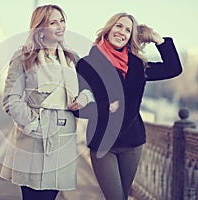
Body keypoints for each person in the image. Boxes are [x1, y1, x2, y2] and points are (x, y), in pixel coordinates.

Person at [69, 12, 183, 199]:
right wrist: (105, 106)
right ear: (109, 29)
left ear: (132, 37)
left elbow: (173, 68)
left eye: (128, 30)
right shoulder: (87, 65)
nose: (122, 32)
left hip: (133, 142)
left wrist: (156, 38)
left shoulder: (138, 65)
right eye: (119, 26)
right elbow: (79, 109)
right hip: (102, 143)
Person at [1, 4, 79, 200]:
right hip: (33, 138)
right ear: (40, 28)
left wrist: (86, 97)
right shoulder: (23, 57)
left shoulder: (72, 59)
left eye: (62, 21)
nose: (60, 26)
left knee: (50, 196)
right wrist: (33, 124)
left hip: (62, 137)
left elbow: (91, 89)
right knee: (32, 196)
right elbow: (11, 98)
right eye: (53, 22)